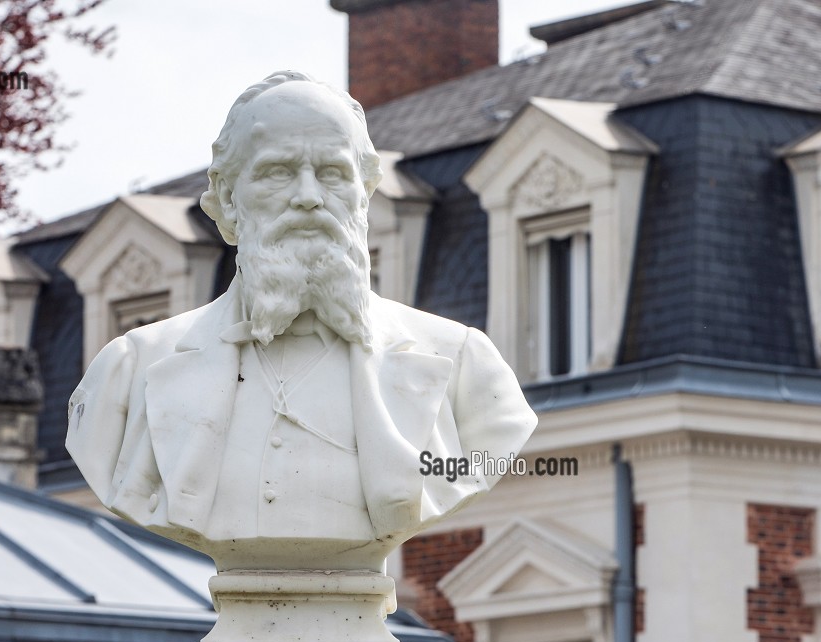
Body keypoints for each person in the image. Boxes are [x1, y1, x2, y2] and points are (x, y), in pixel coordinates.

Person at [66, 71, 536, 570]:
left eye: (332, 172)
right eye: (277, 172)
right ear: (226, 197)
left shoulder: (462, 363)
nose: (308, 196)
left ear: (365, 193)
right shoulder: (132, 368)